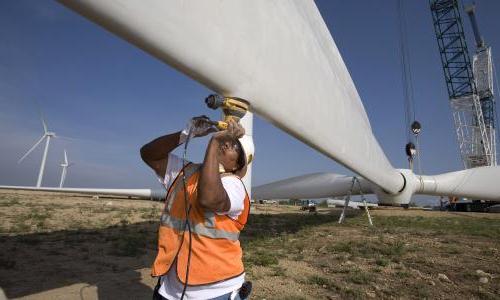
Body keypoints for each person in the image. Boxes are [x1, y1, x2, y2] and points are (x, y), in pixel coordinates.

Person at [140, 116, 254, 300]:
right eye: (225, 140)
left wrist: (215, 141)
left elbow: (209, 199)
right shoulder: (186, 173)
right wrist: (186, 134)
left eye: (234, 146)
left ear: (237, 166)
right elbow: (148, 154)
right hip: (169, 288)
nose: (226, 144)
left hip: (217, 291)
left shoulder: (234, 185)